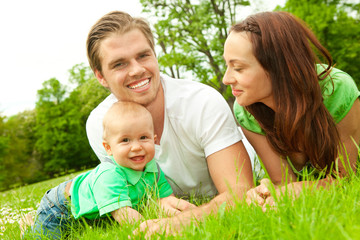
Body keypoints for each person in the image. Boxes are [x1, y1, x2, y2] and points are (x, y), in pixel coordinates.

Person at [85, 11, 254, 235]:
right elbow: (129, 194)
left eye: (143, 56)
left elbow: (240, 192)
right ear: (101, 77)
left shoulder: (202, 102)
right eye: (119, 64)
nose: (137, 70)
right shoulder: (100, 124)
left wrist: (184, 221)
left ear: (155, 55)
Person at [222, 11, 360, 209]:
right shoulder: (246, 111)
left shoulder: (336, 90)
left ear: (278, 65)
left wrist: (297, 190)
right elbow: (283, 182)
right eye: (227, 65)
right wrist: (269, 194)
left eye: (239, 68)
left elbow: (346, 180)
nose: (226, 79)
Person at [22, 101, 194, 239]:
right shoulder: (109, 174)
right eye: (125, 140)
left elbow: (164, 199)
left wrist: (186, 215)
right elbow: (124, 215)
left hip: (94, 214)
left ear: (154, 140)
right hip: (61, 207)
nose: (136, 147)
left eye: (143, 137)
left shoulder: (152, 168)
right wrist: (155, 229)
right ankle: (28, 226)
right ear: (109, 148)